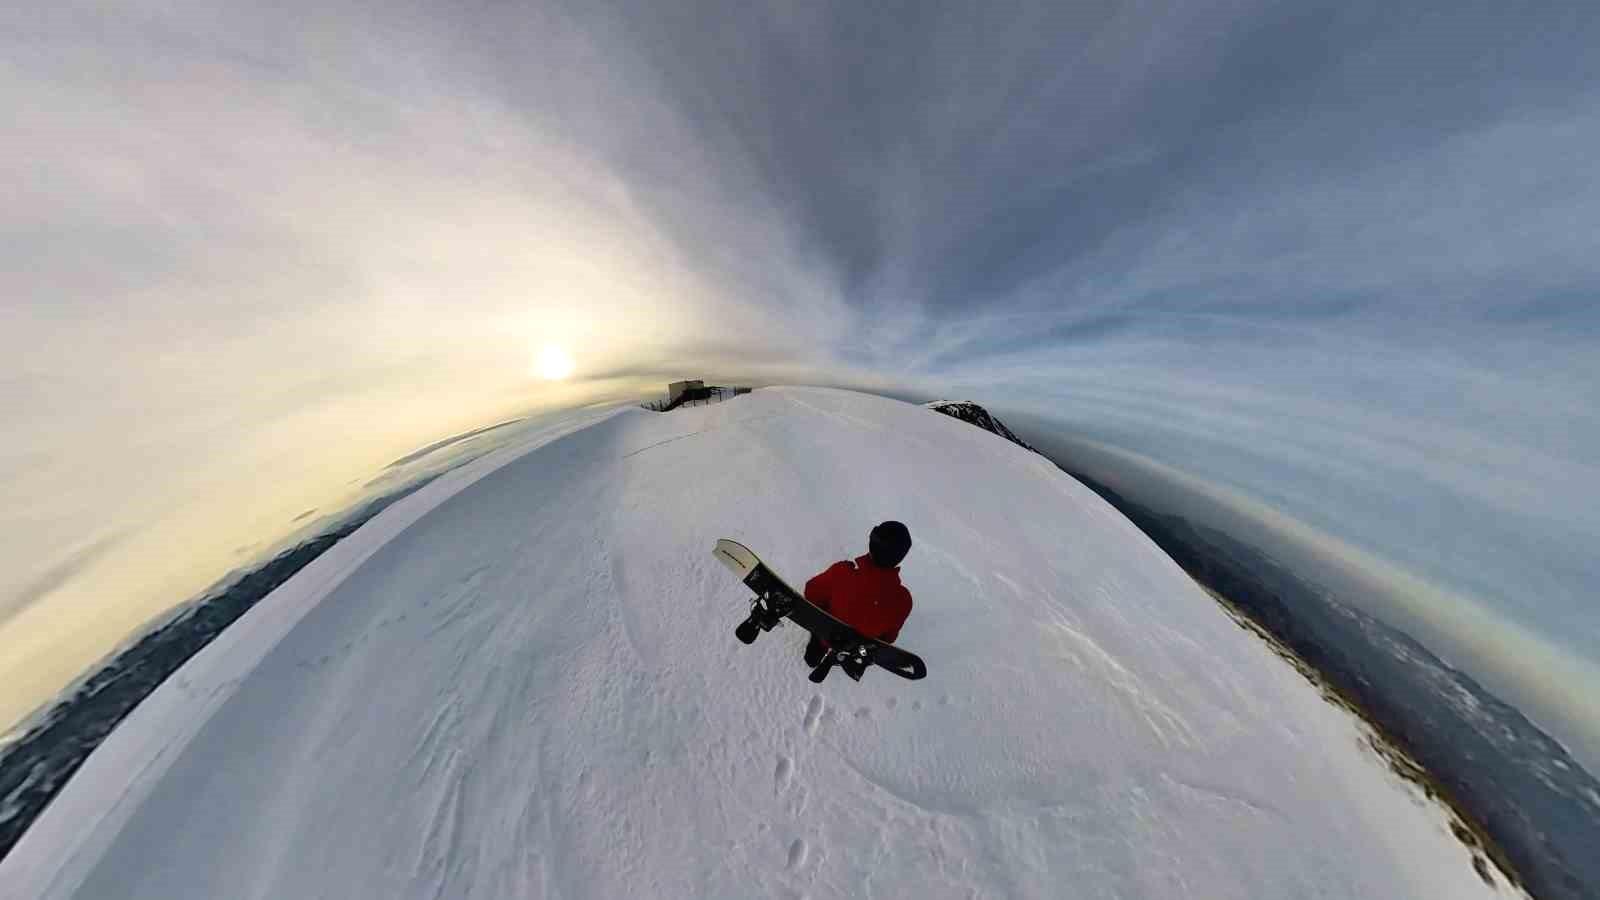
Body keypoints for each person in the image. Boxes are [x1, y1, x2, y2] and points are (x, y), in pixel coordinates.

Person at [802, 521, 914, 666]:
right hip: (858, 648)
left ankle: (815, 652)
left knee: (823, 627)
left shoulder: (842, 572)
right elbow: (888, 638)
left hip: (827, 635)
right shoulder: (904, 601)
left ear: (871, 544)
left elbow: (811, 593)